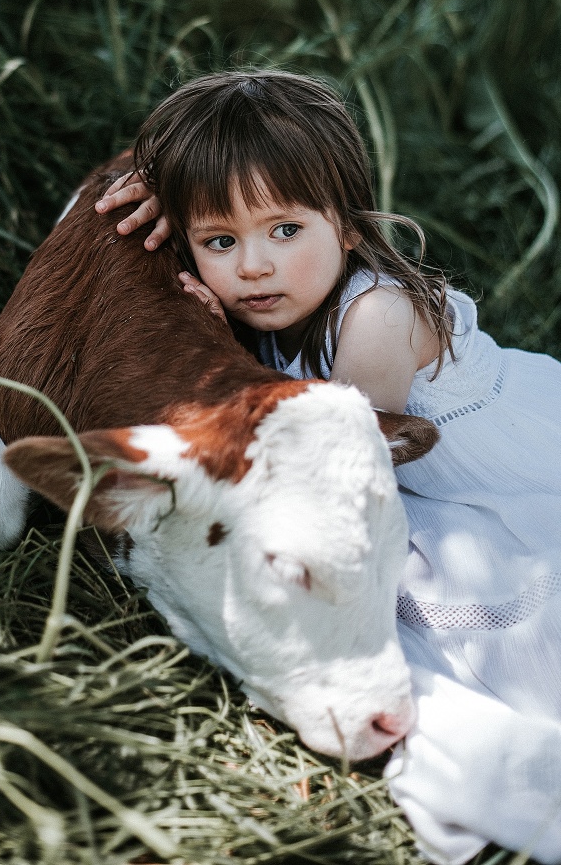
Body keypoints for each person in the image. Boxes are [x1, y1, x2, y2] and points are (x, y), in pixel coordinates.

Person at [96, 71, 561, 865]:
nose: (253, 266)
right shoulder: (268, 298)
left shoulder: (377, 316)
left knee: (475, 613)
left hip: (481, 475)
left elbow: (335, 457)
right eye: (219, 241)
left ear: (346, 226)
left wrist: (226, 348)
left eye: (284, 229)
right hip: (400, 479)